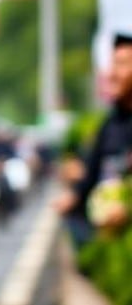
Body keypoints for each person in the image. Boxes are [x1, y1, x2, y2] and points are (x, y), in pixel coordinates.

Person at [55, 32, 132, 232]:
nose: (111, 73)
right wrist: (73, 193)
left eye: (121, 64)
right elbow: (91, 170)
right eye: (112, 64)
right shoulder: (110, 124)